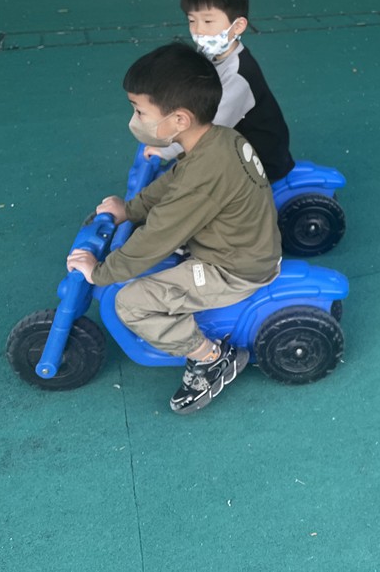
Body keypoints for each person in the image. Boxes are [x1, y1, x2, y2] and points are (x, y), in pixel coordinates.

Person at [66, 43, 282, 415]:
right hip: (244, 247)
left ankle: (211, 358)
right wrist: (129, 210)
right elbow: (174, 181)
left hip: (232, 270)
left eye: (140, 111)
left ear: (179, 119)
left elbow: (158, 236)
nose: (135, 119)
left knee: (130, 303)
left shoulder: (205, 173)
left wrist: (100, 272)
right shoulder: (218, 139)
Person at [148, 0, 295, 184]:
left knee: (198, 184)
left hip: (258, 161)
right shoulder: (210, 54)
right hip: (233, 142)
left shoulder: (239, 76)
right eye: (192, 20)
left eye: (208, 21)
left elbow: (208, 129)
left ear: (238, 26)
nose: (198, 30)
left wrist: (167, 150)